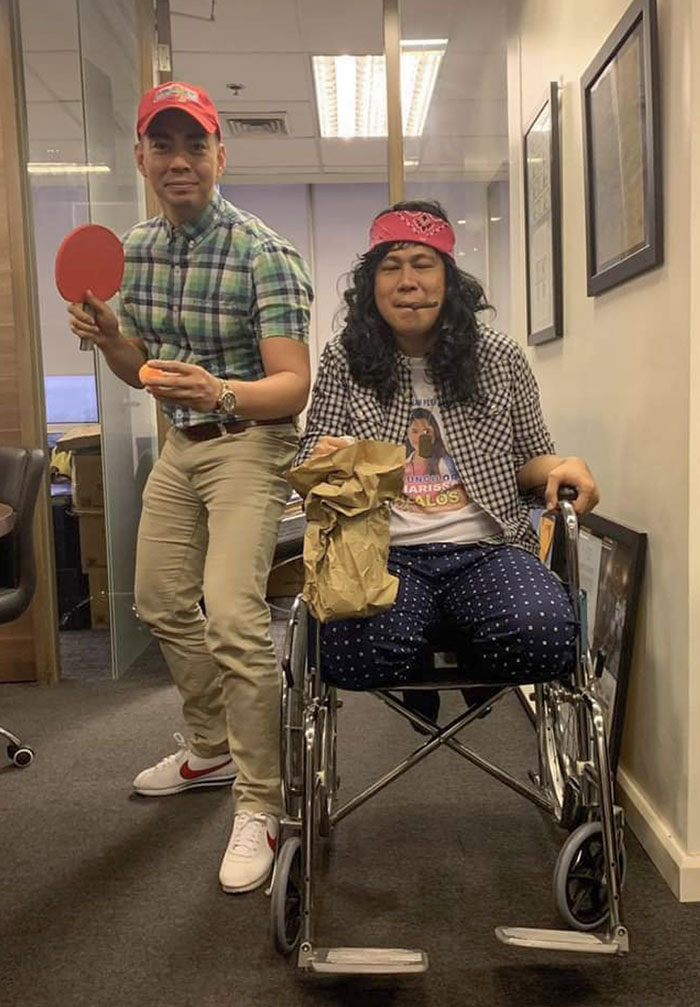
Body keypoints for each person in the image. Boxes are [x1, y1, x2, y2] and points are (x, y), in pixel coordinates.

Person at [68, 81, 313, 894]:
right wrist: (112, 336)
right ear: (141, 157)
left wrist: (221, 392)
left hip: (251, 440)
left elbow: (293, 385)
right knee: (159, 600)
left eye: (195, 145)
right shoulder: (135, 250)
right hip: (182, 445)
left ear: (219, 156)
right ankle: (211, 749)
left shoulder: (263, 253)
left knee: (234, 615)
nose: (180, 160)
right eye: (163, 145)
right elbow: (139, 368)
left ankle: (262, 801)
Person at [294, 199, 598, 699]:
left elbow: (531, 459)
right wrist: (331, 459)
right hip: (382, 552)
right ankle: (419, 668)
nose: (407, 282)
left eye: (422, 264)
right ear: (371, 285)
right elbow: (309, 459)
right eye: (390, 267)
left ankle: (471, 657)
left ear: (449, 280)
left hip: (488, 549)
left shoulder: (499, 357)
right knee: (352, 656)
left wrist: (568, 464)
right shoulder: (343, 358)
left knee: (542, 638)